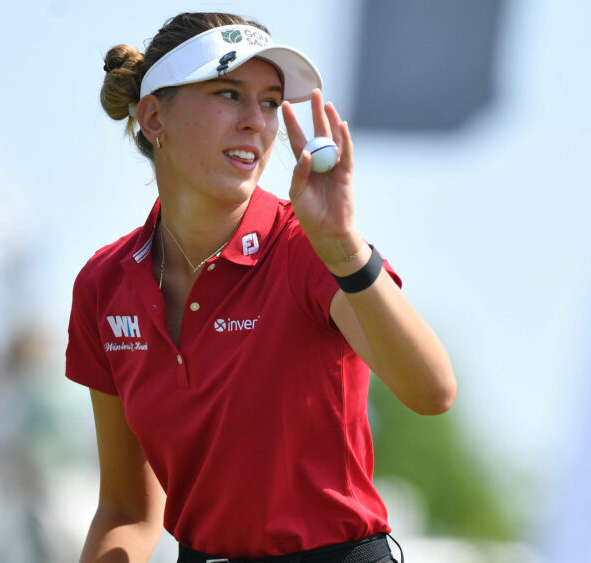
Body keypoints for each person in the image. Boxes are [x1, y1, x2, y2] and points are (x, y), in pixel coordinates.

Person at [66, 11, 456, 563]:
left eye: (271, 102)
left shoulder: (308, 245)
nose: (257, 121)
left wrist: (342, 243)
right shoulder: (103, 286)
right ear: (153, 117)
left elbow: (432, 392)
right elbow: (127, 510)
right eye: (229, 93)